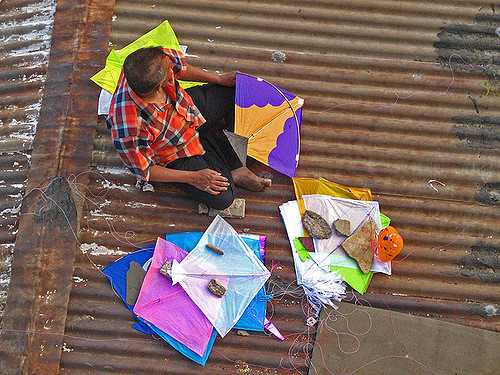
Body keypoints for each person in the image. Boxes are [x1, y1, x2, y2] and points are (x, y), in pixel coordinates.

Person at [106, 47, 271, 210]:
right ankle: (230, 166)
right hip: (173, 151)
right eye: (169, 71)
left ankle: (231, 163)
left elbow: (181, 68)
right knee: (223, 198)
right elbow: (145, 170)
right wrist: (193, 177)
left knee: (240, 92)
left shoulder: (150, 61)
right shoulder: (128, 126)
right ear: (159, 87)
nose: (173, 68)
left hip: (188, 111)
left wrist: (219, 79)